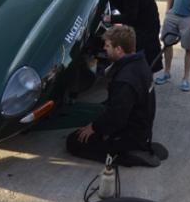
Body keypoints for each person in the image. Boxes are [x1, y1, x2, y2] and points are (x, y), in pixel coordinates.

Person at [66, 25, 157, 164]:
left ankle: (124, 156)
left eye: (107, 46)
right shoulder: (140, 62)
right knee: (95, 117)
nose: (104, 49)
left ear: (119, 49)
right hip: (142, 127)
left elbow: (117, 118)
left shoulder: (125, 80)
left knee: (74, 141)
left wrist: (95, 128)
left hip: (130, 134)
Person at [92, 0, 162, 70]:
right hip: (132, 20)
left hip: (146, 22)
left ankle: (144, 81)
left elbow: (131, 16)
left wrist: (110, 18)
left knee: (143, 56)